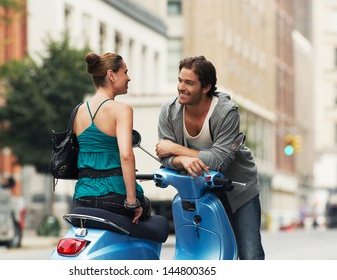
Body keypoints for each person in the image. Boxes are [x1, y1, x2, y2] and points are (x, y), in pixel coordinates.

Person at [155, 55, 265, 259]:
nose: (181, 87)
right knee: (206, 255)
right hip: (199, 192)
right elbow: (164, 158)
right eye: (180, 80)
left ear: (206, 87)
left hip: (237, 189)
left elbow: (218, 161)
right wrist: (182, 160)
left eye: (189, 82)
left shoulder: (226, 112)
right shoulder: (169, 112)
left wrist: (174, 148)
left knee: (249, 254)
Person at [73, 52, 151, 224]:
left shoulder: (79, 111)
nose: (129, 78)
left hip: (82, 197)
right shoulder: (121, 110)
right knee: (153, 220)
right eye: (125, 72)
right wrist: (132, 202)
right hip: (115, 195)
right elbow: (126, 155)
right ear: (111, 75)